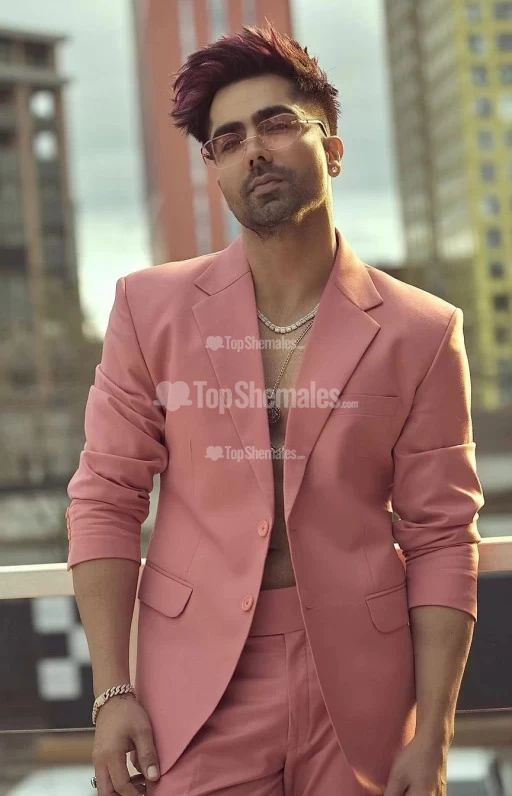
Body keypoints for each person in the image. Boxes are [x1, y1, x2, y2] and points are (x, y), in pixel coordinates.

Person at [67, 21, 485, 796]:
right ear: (215, 171)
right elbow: (106, 496)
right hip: (194, 686)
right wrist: (112, 690)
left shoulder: (421, 331)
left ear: (334, 148)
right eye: (227, 141)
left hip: (362, 689)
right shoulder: (148, 310)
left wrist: (434, 732)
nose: (253, 150)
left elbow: (441, 534)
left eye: (277, 124)